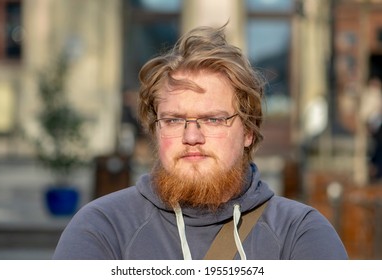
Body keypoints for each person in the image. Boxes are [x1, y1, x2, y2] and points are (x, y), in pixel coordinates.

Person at [53, 25, 348, 260]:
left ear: (248, 131)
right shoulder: (102, 229)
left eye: (213, 119)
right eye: (173, 120)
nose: (191, 137)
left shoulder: (300, 235)